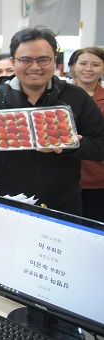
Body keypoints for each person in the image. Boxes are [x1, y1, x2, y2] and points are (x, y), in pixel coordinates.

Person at [0, 27, 104, 215]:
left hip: (64, 204)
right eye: (25, 60)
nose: (34, 67)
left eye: (43, 59)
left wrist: (70, 144)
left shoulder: (76, 97)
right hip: (10, 203)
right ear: (13, 61)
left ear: (54, 60)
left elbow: (100, 146)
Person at [72, 47, 104, 222]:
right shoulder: (57, 96)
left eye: (95, 65)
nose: (88, 69)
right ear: (73, 67)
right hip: (63, 179)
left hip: (98, 181)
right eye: (83, 63)